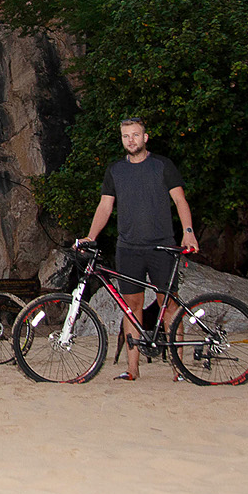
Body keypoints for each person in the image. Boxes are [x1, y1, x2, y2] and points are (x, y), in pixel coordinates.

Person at [81, 117, 198, 381]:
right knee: (130, 306)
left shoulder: (162, 165)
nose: (131, 140)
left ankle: (179, 370)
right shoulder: (115, 170)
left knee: (167, 306)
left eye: (135, 135)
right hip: (128, 248)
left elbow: (180, 200)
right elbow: (105, 206)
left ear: (145, 138)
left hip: (162, 246)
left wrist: (188, 232)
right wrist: (90, 235)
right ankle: (132, 369)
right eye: (126, 136)